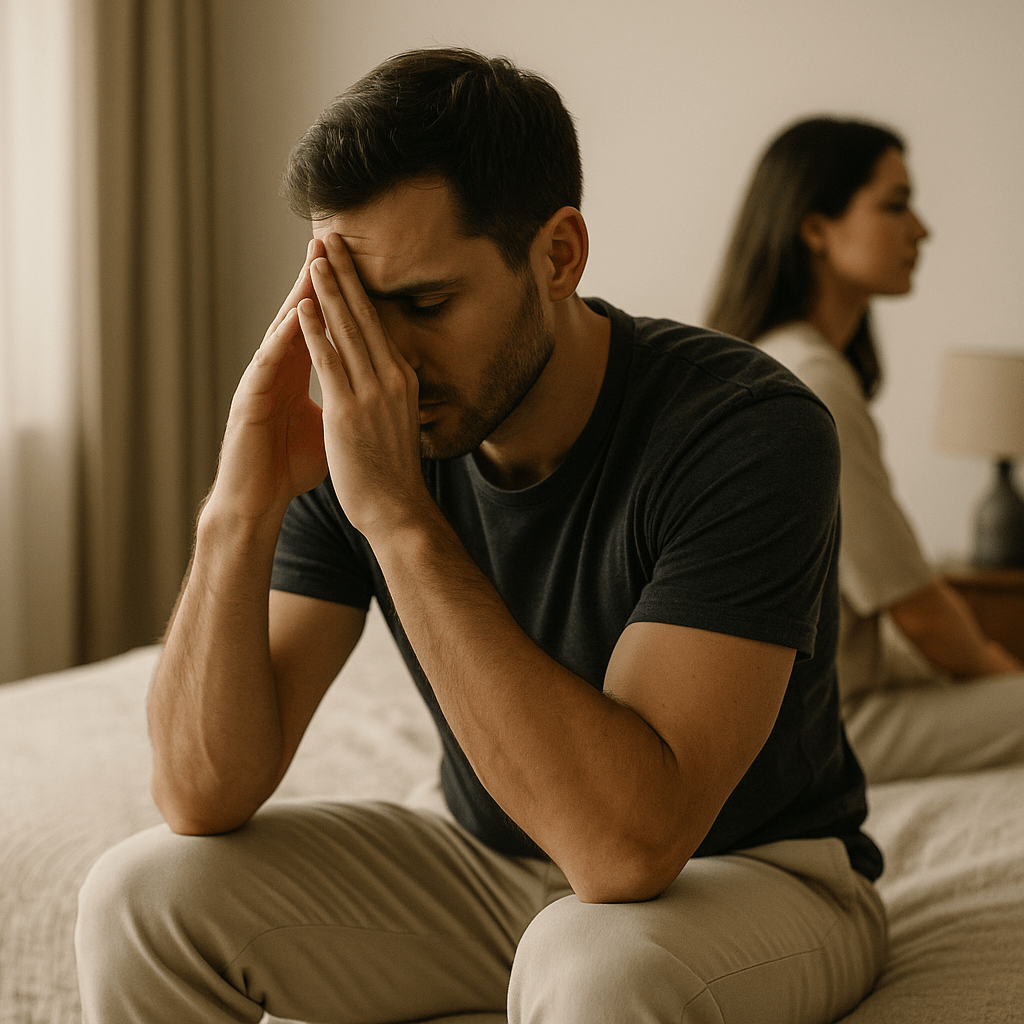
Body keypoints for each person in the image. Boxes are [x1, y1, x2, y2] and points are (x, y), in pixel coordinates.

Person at [75, 52, 886, 1024]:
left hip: (752, 871)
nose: (389, 365)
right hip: (486, 860)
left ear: (557, 255)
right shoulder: (366, 424)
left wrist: (399, 520)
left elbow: (628, 846)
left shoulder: (748, 426)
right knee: (139, 896)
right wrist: (238, 502)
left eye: (424, 306)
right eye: (357, 311)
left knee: (595, 961)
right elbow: (204, 792)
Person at [706, 115, 1024, 785]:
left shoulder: (766, 359)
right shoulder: (811, 379)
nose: (922, 230)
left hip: (794, 697)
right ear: (815, 227)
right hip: (821, 720)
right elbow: (917, 609)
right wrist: (1003, 671)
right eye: (896, 205)